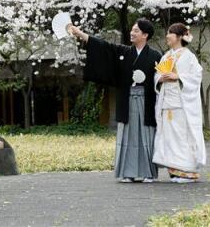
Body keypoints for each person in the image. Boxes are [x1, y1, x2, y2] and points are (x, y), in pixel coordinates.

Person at [67, 19, 162, 182]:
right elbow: (104, 47)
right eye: (132, 29)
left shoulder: (155, 56)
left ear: (145, 35)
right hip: (127, 99)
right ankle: (128, 172)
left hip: (146, 101)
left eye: (136, 31)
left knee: (146, 135)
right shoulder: (123, 51)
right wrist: (81, 34)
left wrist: (149, 80)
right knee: (128, 135)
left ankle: (148, 172)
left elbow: (160, 80)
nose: (132, 33)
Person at [153, 23, 206, 183]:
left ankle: (188, 172)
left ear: (178, 36)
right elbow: (157, 75)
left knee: (183, 137)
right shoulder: (165, 56)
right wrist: (160, 79)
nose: (167, 36)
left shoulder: (189, 56)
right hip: (167, 102)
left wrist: (178, 77)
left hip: (182, 105)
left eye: (170, 33)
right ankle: (175, 171)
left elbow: (197, 77)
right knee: (170, 138)